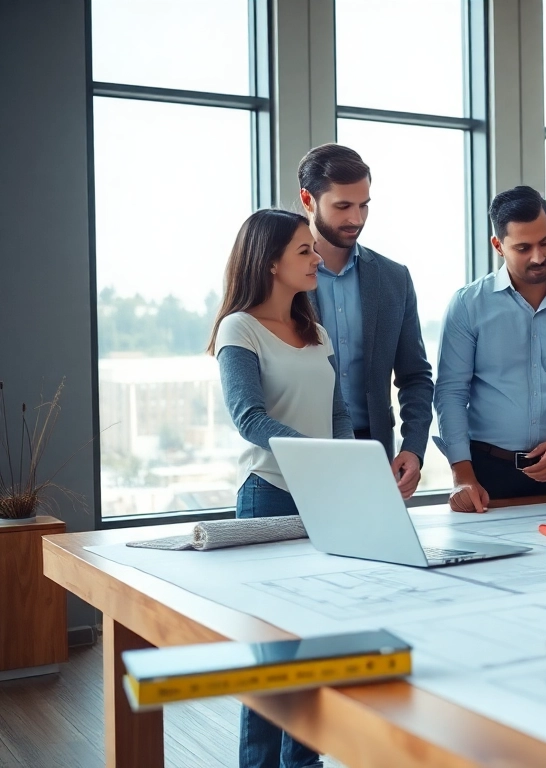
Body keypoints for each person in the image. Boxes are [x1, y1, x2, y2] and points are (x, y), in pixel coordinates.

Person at [207, 208, 353, 768]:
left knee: (314, 643)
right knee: (271, 652)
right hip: (269, 495)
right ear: (269, 262)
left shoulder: (313, 330)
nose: (317, 259)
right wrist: (322, 458)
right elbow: (250, 418)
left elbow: (338, 412)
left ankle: (305, 763)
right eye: (304, 251)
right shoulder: (237, 328)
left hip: (326, 497)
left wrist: (346, 464)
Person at [434, 186, 546, 511]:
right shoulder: (467, 305)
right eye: (523, 247)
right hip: (486, 474)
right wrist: (463, 475)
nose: (538, 257)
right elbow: (451, 393)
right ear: (498, 245)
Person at [297, 144, 434, 500]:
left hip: (374, 455)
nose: (356, 218)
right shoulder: (283, 277)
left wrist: (414, 447)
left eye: (364, 205)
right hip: (301, 453)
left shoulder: (393, 278)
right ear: (308, 200)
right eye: (343, 206)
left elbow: (415, 376)